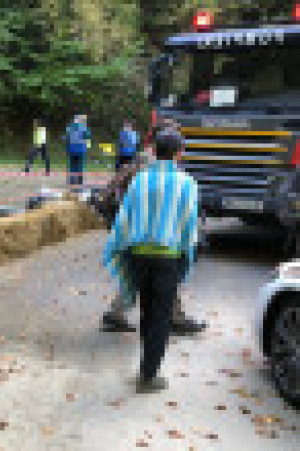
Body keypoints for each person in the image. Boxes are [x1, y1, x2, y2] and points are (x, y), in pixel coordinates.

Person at [103, 130, 200, 394]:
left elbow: (126, 216)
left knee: (147, 310)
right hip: (168, 258)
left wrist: (120, 244)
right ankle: (149, 375)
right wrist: (186, 252)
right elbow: (190, 224)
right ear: (179, 153)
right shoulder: (187, 183)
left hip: (139, 256)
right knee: (162, 316)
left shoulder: (140, 180)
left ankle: (146, 367)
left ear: (154, 151)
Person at [98, 149, 208, 335]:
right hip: (142, 230)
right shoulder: (153, 166)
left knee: (135, 275)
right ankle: (172, 319)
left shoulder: (147, 160)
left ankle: (116, 313)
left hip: (131, 225)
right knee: (158, 275)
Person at [65, 114, 91, 187]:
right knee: (80, 165)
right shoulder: (84, 128)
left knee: (72, 165)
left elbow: (67, 138)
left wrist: (67, 149)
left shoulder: (70, 127)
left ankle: (72, 180)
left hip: (72, 149)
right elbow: (88, 137)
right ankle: (79, 180)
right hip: (81, 149)